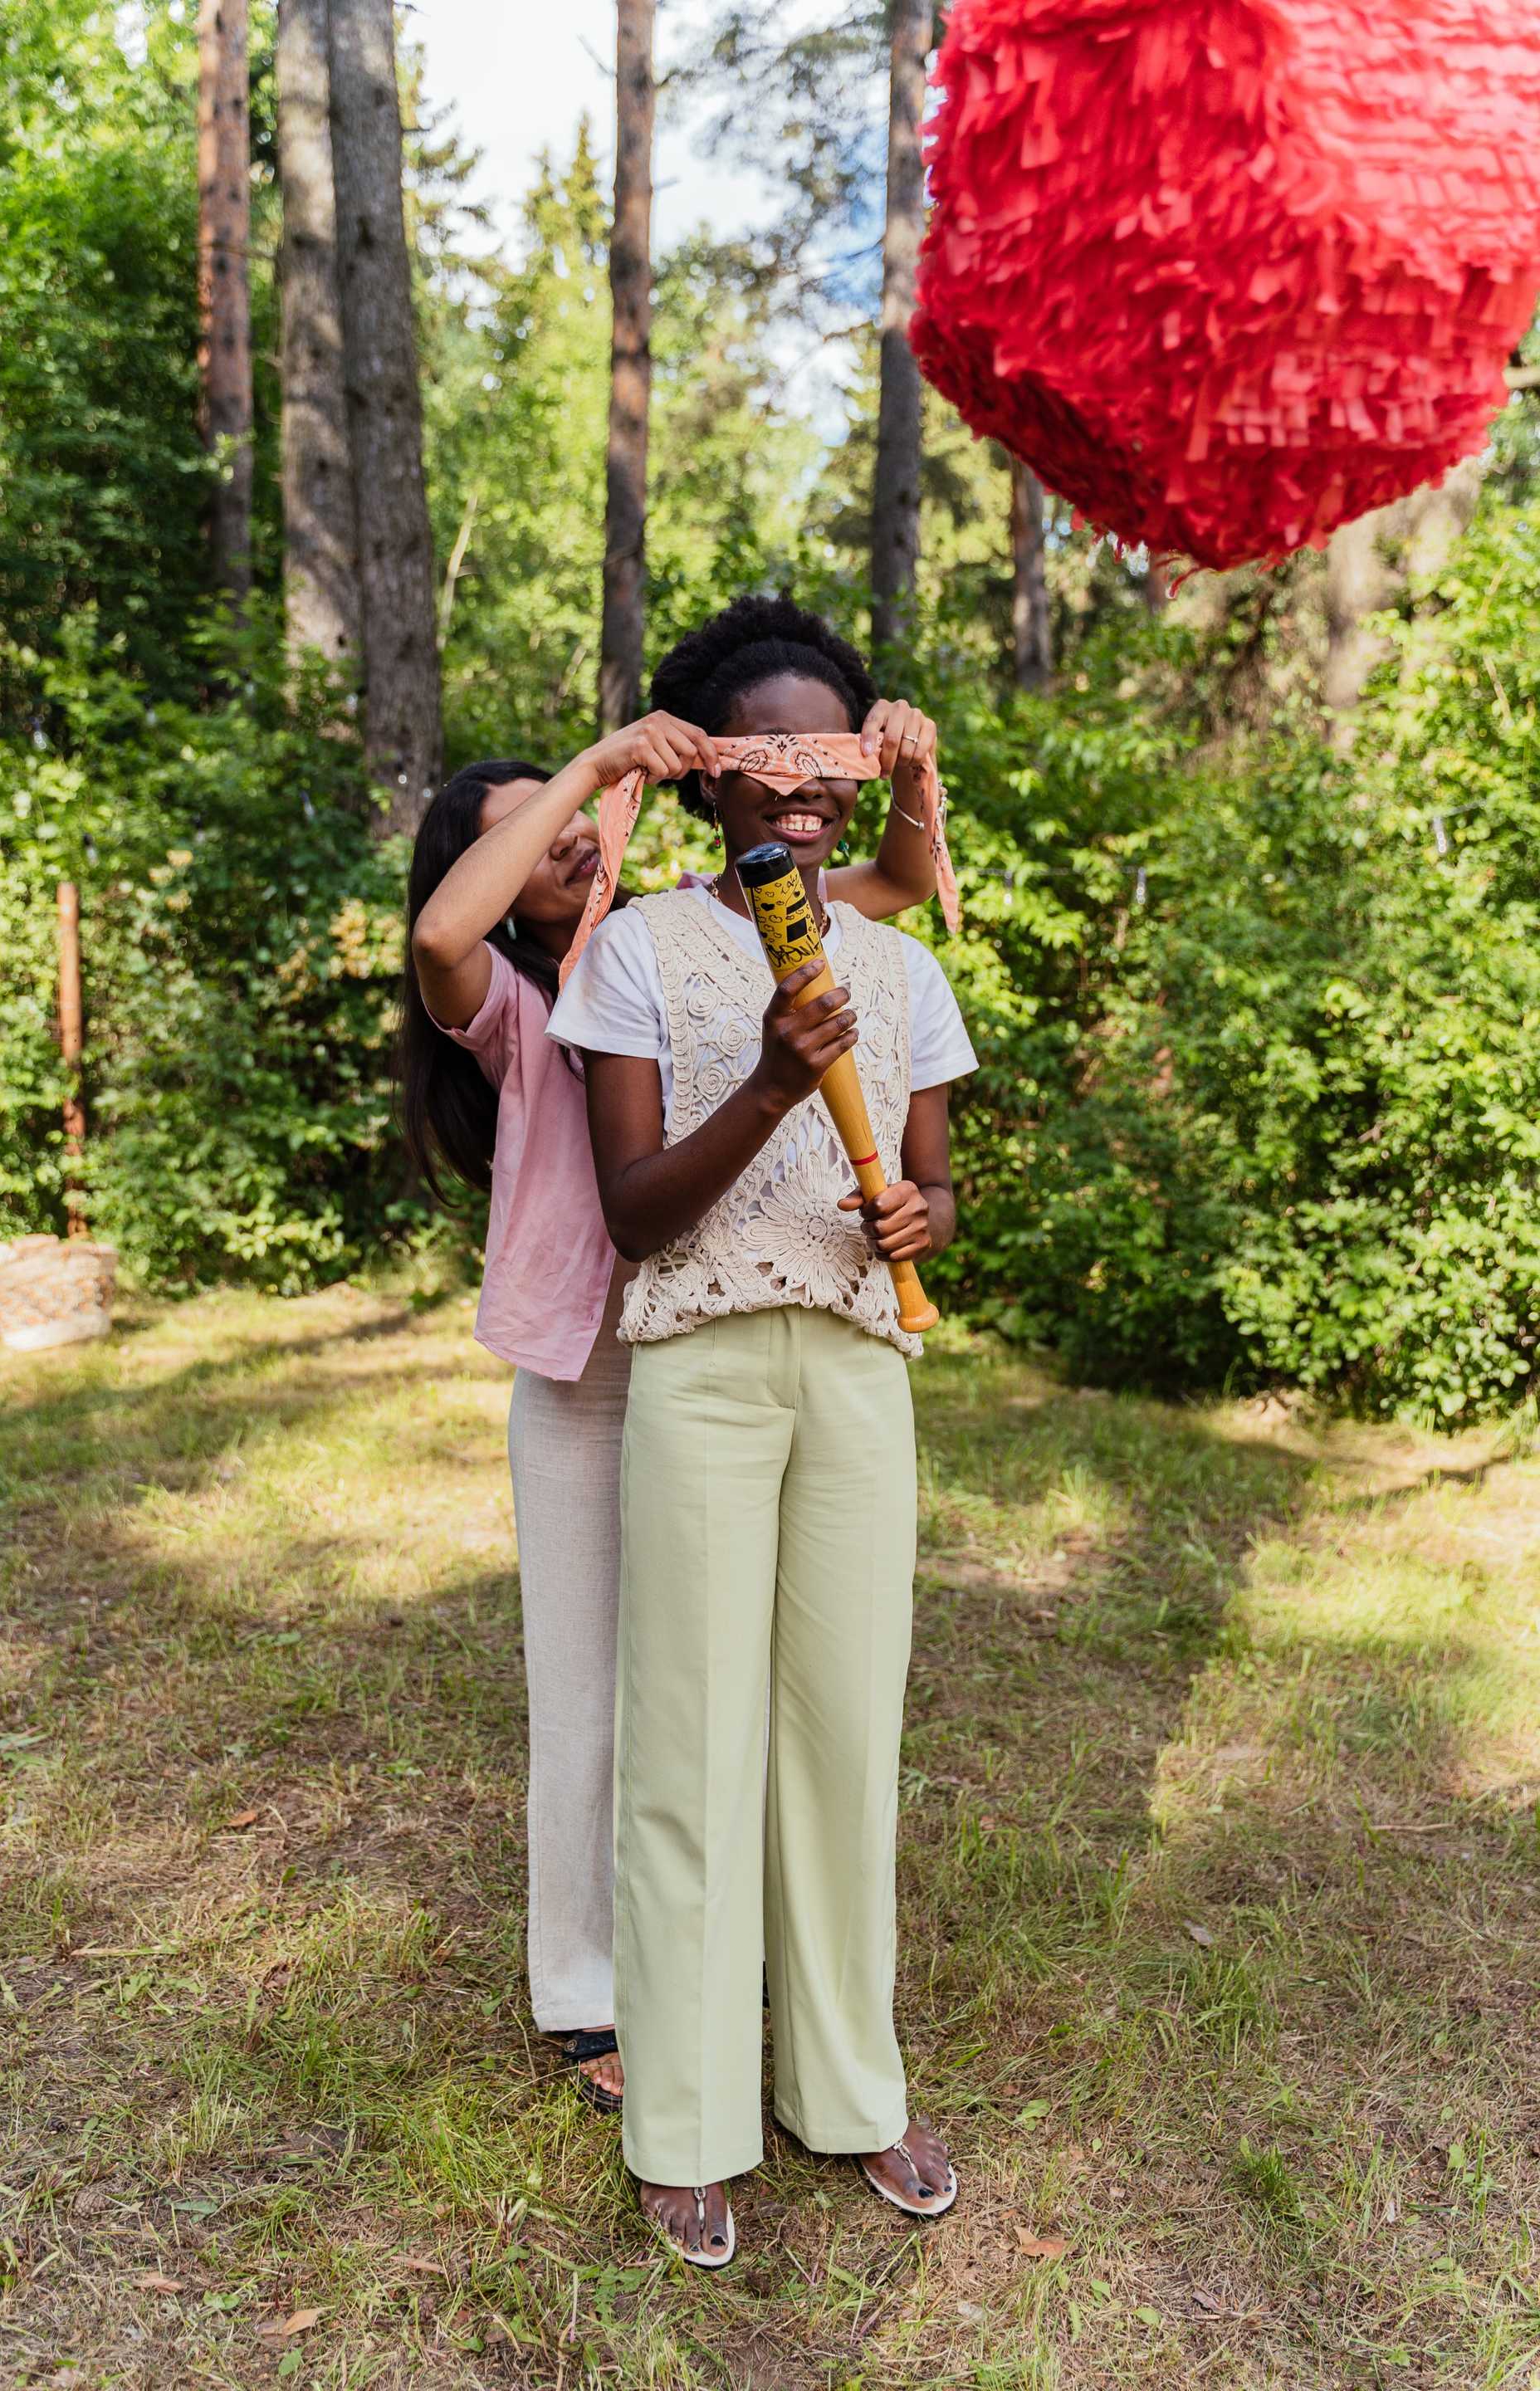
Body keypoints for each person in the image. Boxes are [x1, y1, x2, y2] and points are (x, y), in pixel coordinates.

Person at [399, 628, 944, 2112]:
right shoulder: (520, 1003)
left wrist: (897, 765)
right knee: (594, 1692)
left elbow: (889, 885)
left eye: (583, 827)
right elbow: (442, 936)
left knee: (719, 1687)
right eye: (534, 837)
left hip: (720, 1342)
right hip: (593, 1368)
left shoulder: (685, 933)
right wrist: (590, 764)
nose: (571, 845)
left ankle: (713, 1957)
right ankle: (592, 1992)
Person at [547, 594, 976, 2265]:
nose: (802, 800)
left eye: (828, 770)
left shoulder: (904, 965)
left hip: (861, 1370)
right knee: (692, 1742)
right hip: (705, 1370)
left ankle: (850, 2094)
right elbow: (637, 1213)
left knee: (845, 1738)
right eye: (769, 769)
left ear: (860, 775)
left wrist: (927, 1219)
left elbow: (935, 1186)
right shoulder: (641, 953)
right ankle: (686, 2118)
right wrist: (778, 1085)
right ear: (714, 777)